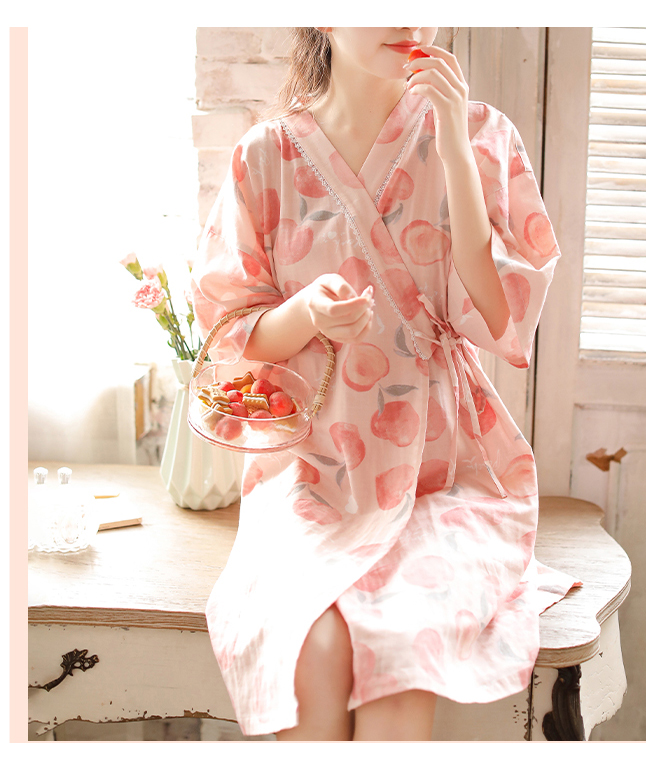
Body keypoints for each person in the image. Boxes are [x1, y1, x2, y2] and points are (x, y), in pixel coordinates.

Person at [191, 27, 579, 742]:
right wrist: (306, 313)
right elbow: (229, 331)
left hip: (443, 470)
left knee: (402, 646)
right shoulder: (266, 156)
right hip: (314, 471)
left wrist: (454, 147)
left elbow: (499, 316)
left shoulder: (481, 133)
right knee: (312, 645)